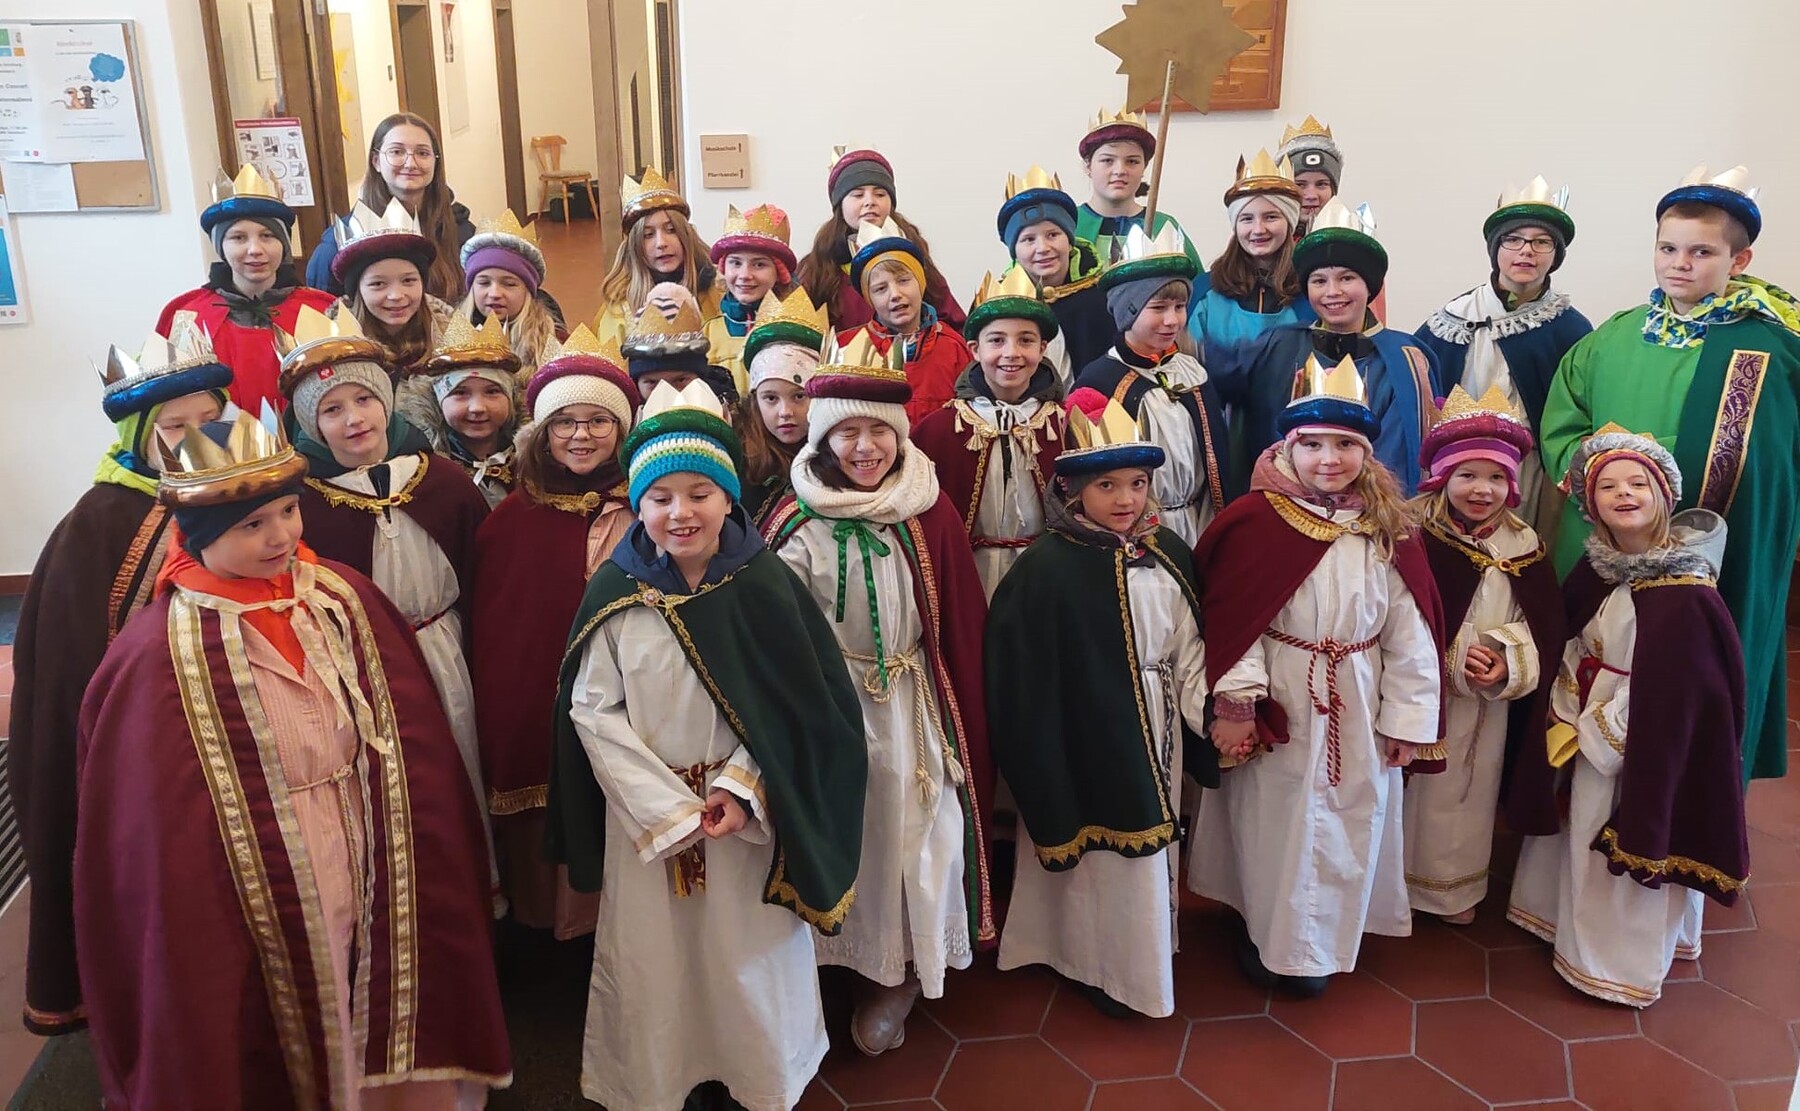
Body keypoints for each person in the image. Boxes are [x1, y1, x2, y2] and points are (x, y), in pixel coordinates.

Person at [73, 412, 509, 1106]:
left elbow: (409, 738)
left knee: (369, 975)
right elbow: (149, 821)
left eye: (287, 511)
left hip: (364, 833)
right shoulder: (158, 650)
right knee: (294, 992)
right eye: (252, 525)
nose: (280, 536)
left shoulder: (340, 595)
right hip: (258, 864)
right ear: (201, 534)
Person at [544, 380, 866, 1110]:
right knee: (657, 959)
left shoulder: (763, 584)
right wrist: (664, 807)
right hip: (648, 820)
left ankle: (758, 1074)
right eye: (660, 497)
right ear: (638, 505)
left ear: (729, 498)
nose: (680, 513)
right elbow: (592, 709)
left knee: (746, 950)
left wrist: (741, 787)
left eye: (700, 494)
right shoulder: (617, 591)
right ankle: (666, 1078)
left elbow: (795, 706)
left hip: (740, 815)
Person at [763, 332, 994, 1057]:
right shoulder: (796, 519)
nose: (865, 448)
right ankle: (841, 959)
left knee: (919, 833)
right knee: (851, 833)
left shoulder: (927, 509)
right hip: (832, 708)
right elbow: (775, 630)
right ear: (823, 438)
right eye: (847, 432)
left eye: (879, 432)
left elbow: (956, 619)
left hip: (913, 699)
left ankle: (901, 971)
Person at [1188, 354, 1443, 998]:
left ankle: (1324, 942)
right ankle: (1268, 933)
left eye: (1345, 446)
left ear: (1366, 453)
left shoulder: (1387, 528)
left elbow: (1411, 631)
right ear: (1288, 447)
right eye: (1314, 445)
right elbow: (1234, 618)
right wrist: (1238, 704)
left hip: (1358, 694)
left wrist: (1406, 719)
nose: (1330, 459)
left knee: (1350, 816)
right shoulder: (1255, 521)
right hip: (1284, 691)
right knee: (1273, 819)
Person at [1538, 165, 1800, 783]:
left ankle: (1693, 799)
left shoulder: (1772, 347)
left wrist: (1659, 468)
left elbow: (1774, 452)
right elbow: (1563, 422)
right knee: (1600, 659)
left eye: (1701, 252)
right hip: (1606, 531)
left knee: (1692, 675)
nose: (1679, 264)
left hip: (1714, 545)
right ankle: (1581, 789)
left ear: (1739, 259)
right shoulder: (1613, 337)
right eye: (1667, 248)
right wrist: (1603, 476)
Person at [9, 327, 230, 1037]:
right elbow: (69, 673)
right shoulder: (99, 521)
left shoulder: (239, 489)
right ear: (142, 434)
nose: (196, 437)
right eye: (175, 425)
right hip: (144, 744)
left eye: (209, 418)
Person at [988, 388, 1213, 1019]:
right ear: (1073, 491)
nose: (1125, 500)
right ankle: (1089, 961)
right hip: (1078, 734)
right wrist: (1040, 751)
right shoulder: (1045, 569)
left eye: (1137, 484)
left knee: (1144, 855)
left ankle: (1141, 961)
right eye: (1107, 485)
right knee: (1095, 859)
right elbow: (1018, 675)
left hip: (1156, 721)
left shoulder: (1169, 553)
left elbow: (1192, 646)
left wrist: (1209, 713)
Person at [1508, 426, 1749, 1007]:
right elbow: (1570, 641)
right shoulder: (1599, 569)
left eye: (1637, 483)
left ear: (1663, 495)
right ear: (1591, 506)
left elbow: (1681, 694)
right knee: (1577, 830)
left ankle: (1614, 964)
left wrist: (1599, 729)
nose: (1623, 494)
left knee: (1618, 834)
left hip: (1633, 741)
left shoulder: (1688, 592)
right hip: (1583, 718)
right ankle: (1557, 921)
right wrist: (1567, 702)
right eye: (1607, 486)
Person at [276, 306, 496, 903]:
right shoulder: (301, 503)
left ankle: (474, 893)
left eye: (365, 400)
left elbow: (482, 578)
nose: (355, 420)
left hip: (444, 654)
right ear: (310, 423)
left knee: (458, 765)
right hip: (357, 666)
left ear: (388, 403)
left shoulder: (441, 481)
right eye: (331, 410)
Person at [475, 331, 640, 938]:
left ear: (621, 429)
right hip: (539, 694)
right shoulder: (512, 519)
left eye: (598, 421)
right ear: (542, 433)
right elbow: (500, 628)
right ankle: (554, 927)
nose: (581, 436)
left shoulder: (644, 506)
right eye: (565, 422)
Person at [1403, 385, 1563, 926]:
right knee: (1408, 791)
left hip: (1483, 704)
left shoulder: (1522, 545)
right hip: (1416, 694)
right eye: (1467, 474)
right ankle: (1390, 885)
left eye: (1497, 477)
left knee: (1468, 791)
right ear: (1442, 475)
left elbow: (1541, 626)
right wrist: (1452, 652)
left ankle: (1449, 892)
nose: (1482, 489)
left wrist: (1506, 658)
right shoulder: (1410, 531)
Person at [1211, 198, 1439, 493]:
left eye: (1347, 278)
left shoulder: (1406, 359)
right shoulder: (1276, 345)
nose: (1333, 292)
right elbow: (1214, 387)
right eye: (1319, 281)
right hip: (1282, 504)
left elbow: (1400, 456)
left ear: (1370, 285)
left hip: (1372, 510)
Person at [1415, 177, 1593, 524]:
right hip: (1455, 467)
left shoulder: (1570, 329)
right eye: (1513, 239)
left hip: (1527, 469)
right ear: (1496, 248)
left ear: (1556, 255)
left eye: (1542, 242)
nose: (1526, 251)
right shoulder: (1452, 320)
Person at [912, 269, 1067, 598]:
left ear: (1042, 348)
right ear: (974, 349)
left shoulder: (1062, 427)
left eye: (1026, 340)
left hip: (1046, 576)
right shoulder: (940, 429)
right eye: (996, 340)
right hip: (969, 576)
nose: (1011, 352)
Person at [1072, 223, 1228, 547]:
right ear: (1127, 311)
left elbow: (1218, 460)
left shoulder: (1191, 373)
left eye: (1180, 308)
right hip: (1138, 531)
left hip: (1201, 522)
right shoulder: (1101, 381)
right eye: (1158, 308)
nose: (1172, 320)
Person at [156, 164, 338, 415]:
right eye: (238, 237)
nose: (255, 249)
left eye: (267, 236)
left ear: (284, 244)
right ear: (220, 246)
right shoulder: (187, 316)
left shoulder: (321, 309)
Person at [795, 147, 966, 333]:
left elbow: (952, 323)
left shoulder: (913, 251)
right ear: (839, 205)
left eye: (880, 194)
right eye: (858, 195)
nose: (870, 202)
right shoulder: (817, 267)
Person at [307, 111, 474, 300]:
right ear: (376, 161)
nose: (410, 163)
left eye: (422, 153)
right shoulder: (338, 247)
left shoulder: (461, 231)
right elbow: (326, 311)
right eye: (396, 152)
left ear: (436, 163)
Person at [1190, 151, 1312, 371]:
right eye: (1247, 219)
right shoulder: (1204, 293)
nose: (1258, 229)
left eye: (1271, 217)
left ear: (1290, 222)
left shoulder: (1311, 291)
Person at [847, 218, 974, 424]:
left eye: (904, 281)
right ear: (869, 298)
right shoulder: (850, 348)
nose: (895, 294)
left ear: (920, 282)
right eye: (880, 289)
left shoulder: (954, 348)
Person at [997, 166, 1111, 389]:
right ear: (1015, 251)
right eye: (1028, 239)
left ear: (1069, 240)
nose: (1043, 248)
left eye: (1053, 235)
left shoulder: (1102, 298)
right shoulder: (999, 304)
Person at [327, 197, 457, 376]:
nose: (396, 295)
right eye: (378, 284)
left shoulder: (454, 339)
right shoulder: (334, 351)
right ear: (358, 291)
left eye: (408, 280)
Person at [409, 313, 526, 507]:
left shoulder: (533, 465)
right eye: (460, 393)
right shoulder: (422, 471)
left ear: (512, 399)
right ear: (438, 402)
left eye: (492, 392)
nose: (477, 407)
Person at [593, 168, 721, 345]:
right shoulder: (619, 311)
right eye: (648, 235)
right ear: (635, 247)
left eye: (671, 230)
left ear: (686, 235)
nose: (661, 243)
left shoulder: (717, 295)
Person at [736, 288, 827, 530]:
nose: (785, 411)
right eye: (771, 398)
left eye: (799, 396)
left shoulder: (836, 451)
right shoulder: (741, 458)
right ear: (755, 400)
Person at [1073, 106, 1204, 270]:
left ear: (1144, 167)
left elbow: (1196, 283)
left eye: (1132, 161)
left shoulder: (1163, 226)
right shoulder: (1069, 224)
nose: (1120, 170)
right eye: (1107, 160)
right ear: (1088, 166)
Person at [703, 203, 797, 394]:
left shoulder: (794, 329)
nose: (745, 275)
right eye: (736, 263)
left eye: (759, 264)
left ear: (779, 273)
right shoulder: (709, 333)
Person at [459, 209, 564, 378]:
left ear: (527, 290)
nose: (494, 293)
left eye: (509, 284)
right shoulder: (455, 336)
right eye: (484, 283)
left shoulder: (550, 341)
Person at [1275, 114, 1341, 232]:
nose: (1311, 196)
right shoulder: (1266, 238)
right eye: (1300, 185)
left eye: (1321, 184)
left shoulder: (1349, 237)